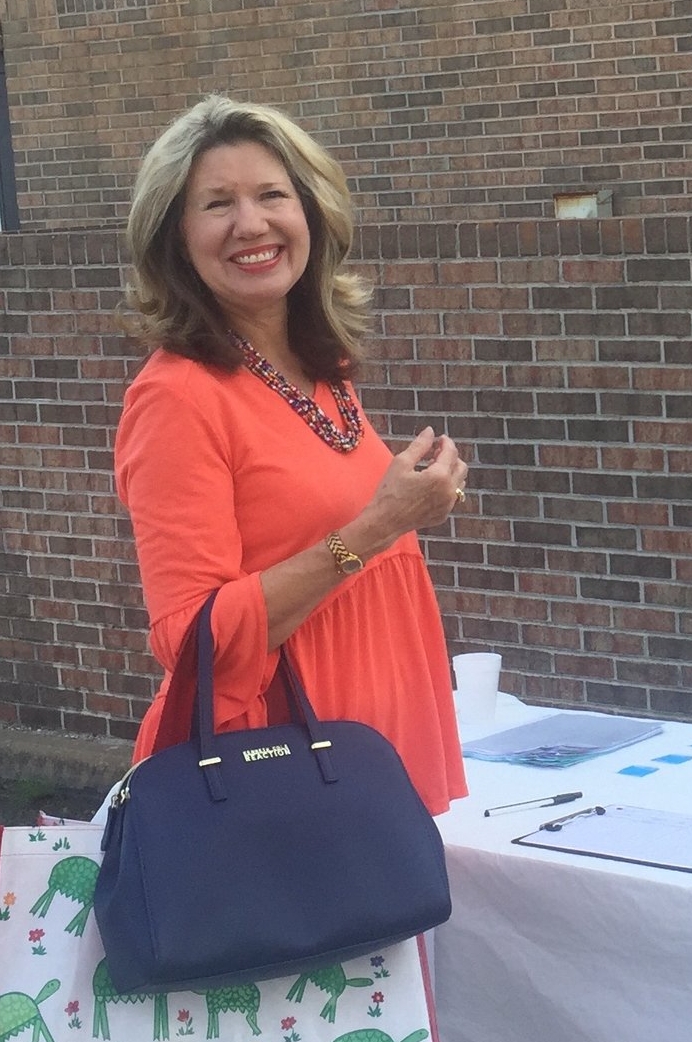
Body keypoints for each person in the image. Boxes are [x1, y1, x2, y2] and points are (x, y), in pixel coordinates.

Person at [114, 96, 469, 814]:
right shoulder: (178, 398)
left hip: (372, 750)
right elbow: (192, 642)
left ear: (310, 212)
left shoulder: (319, 365)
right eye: (217, 204)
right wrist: (377, 527)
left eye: (272, 194)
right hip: (281, 769)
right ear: (176, 239)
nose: (252, 224)